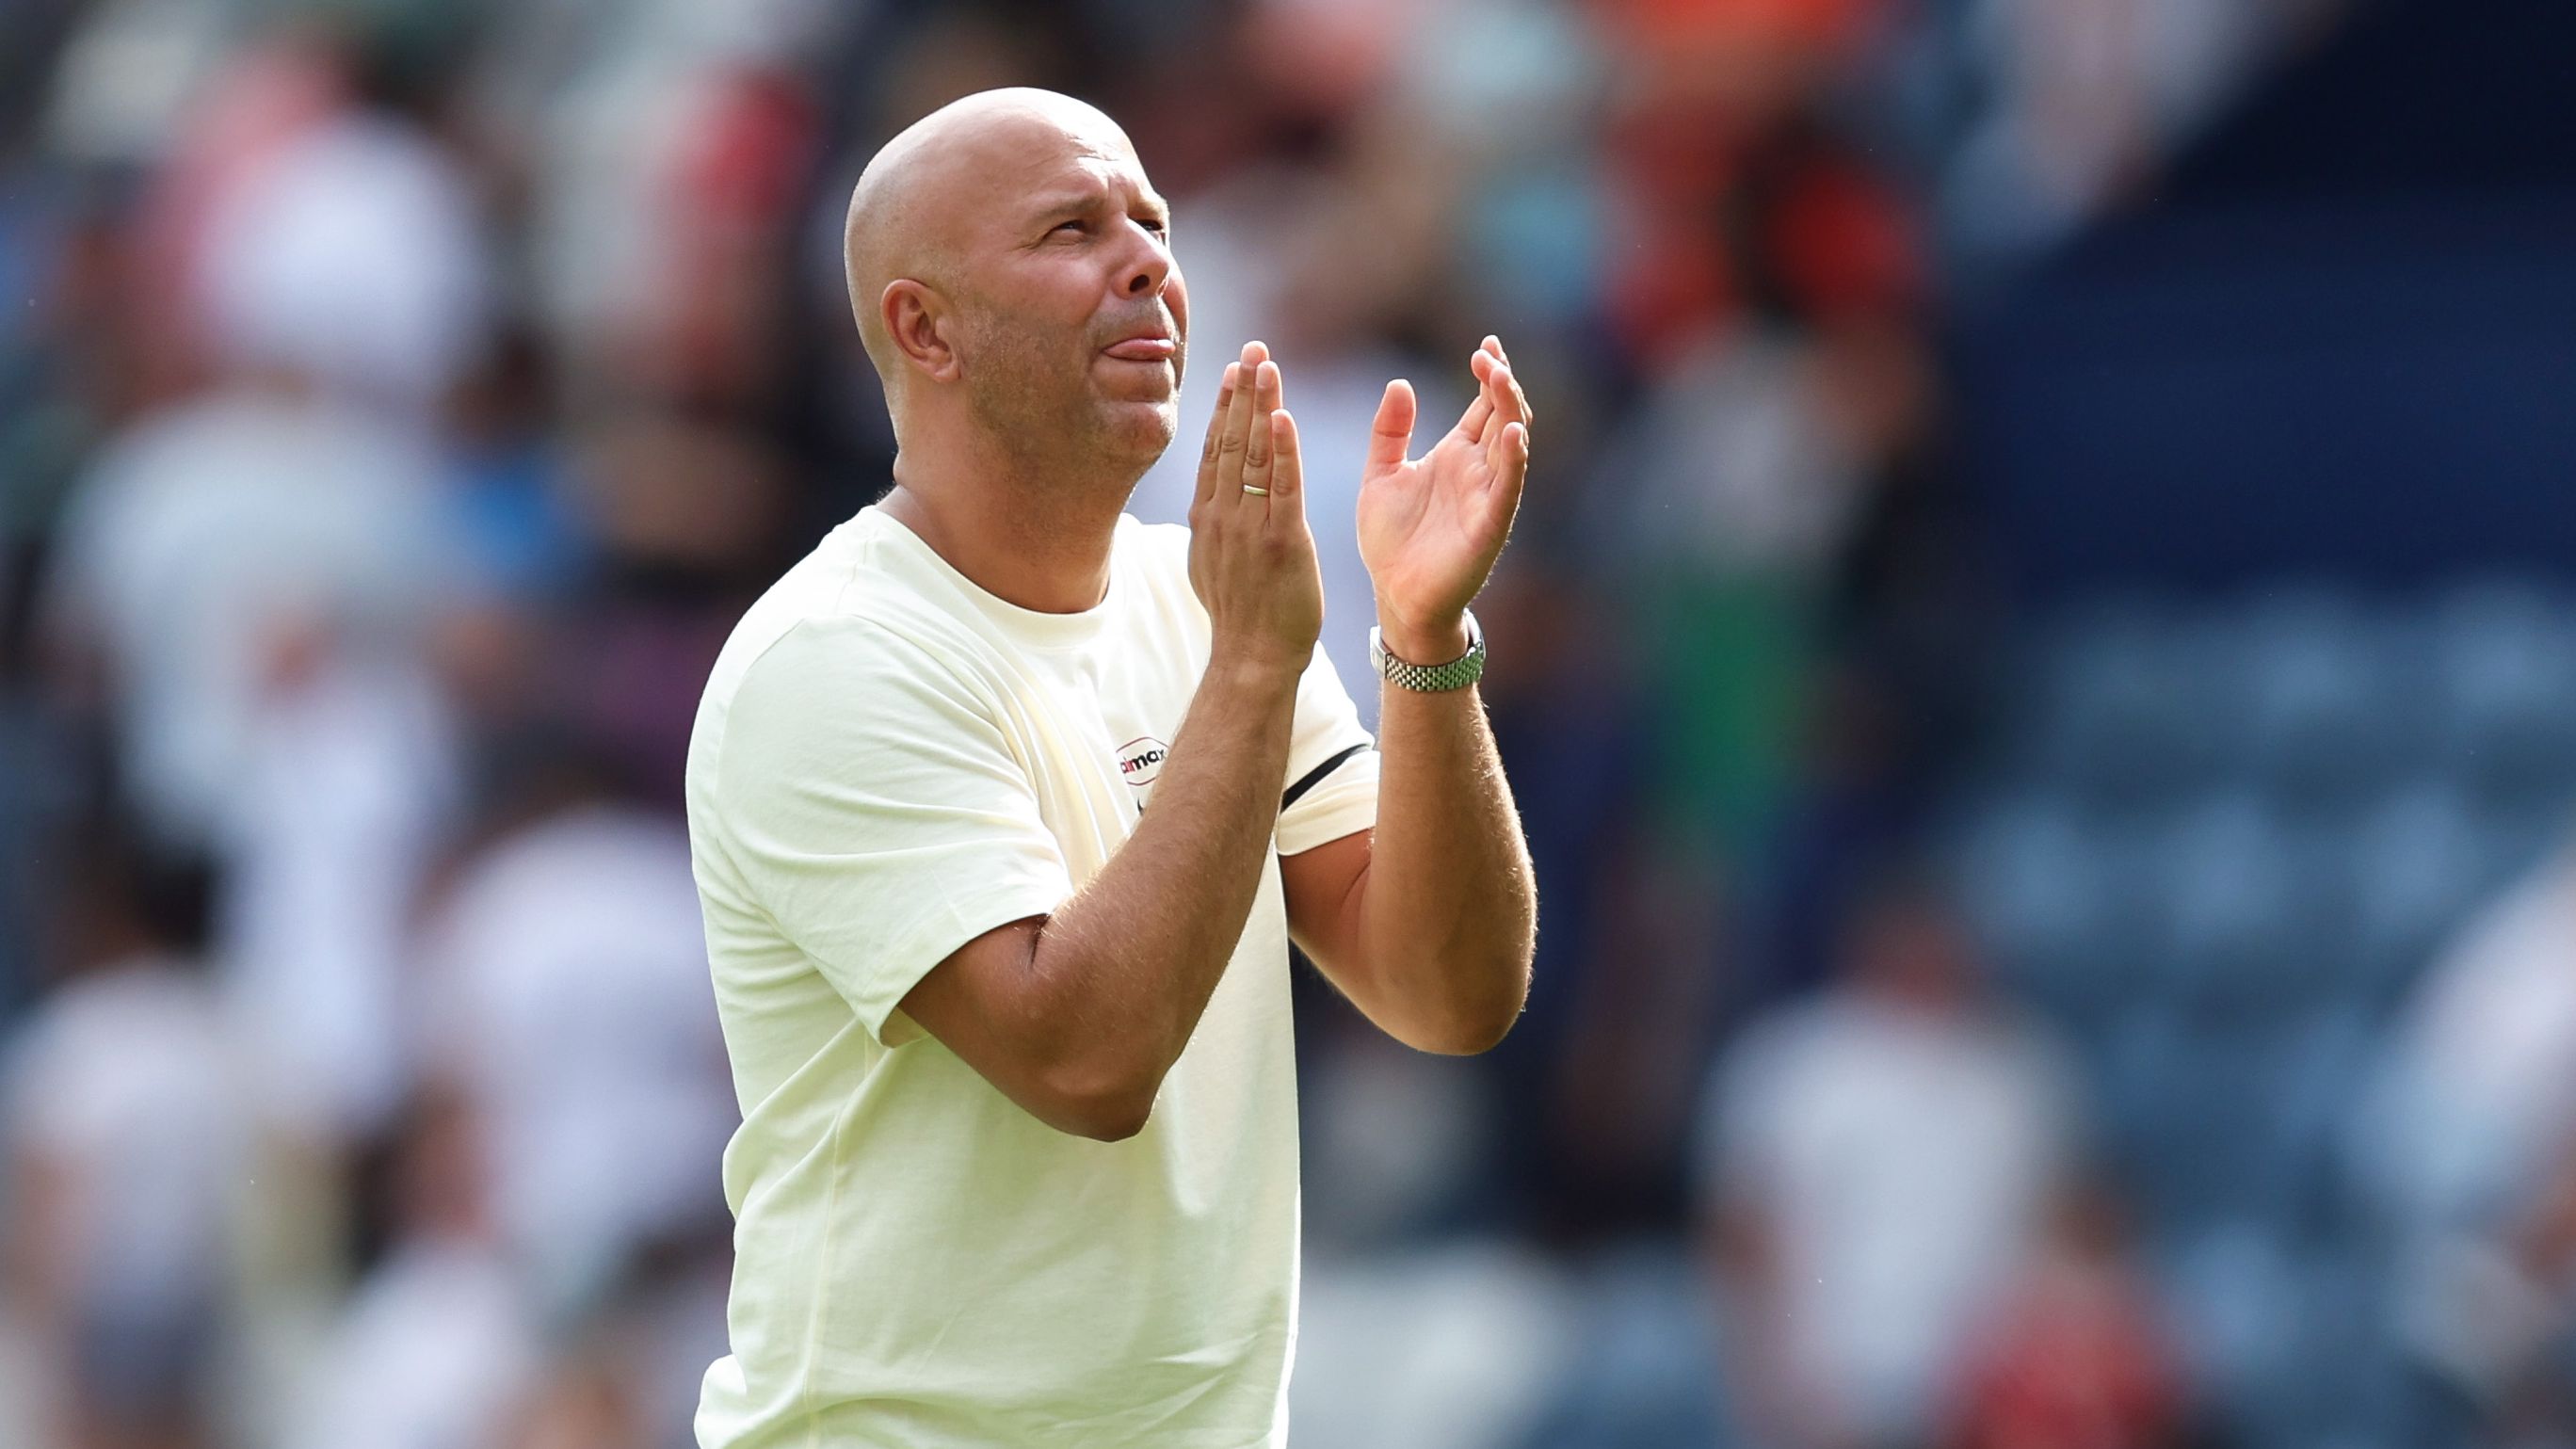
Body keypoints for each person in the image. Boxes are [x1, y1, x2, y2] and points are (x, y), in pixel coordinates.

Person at [682, 88, 1538, 1447]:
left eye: (1153, 220)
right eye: (1072, 229)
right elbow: (1084, 1062)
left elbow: (1448, 990)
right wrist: (1255, 670)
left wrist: (1425, 643)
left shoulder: (1204, 602)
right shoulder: (835, 657)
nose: (1146, 260)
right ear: (925, 327)